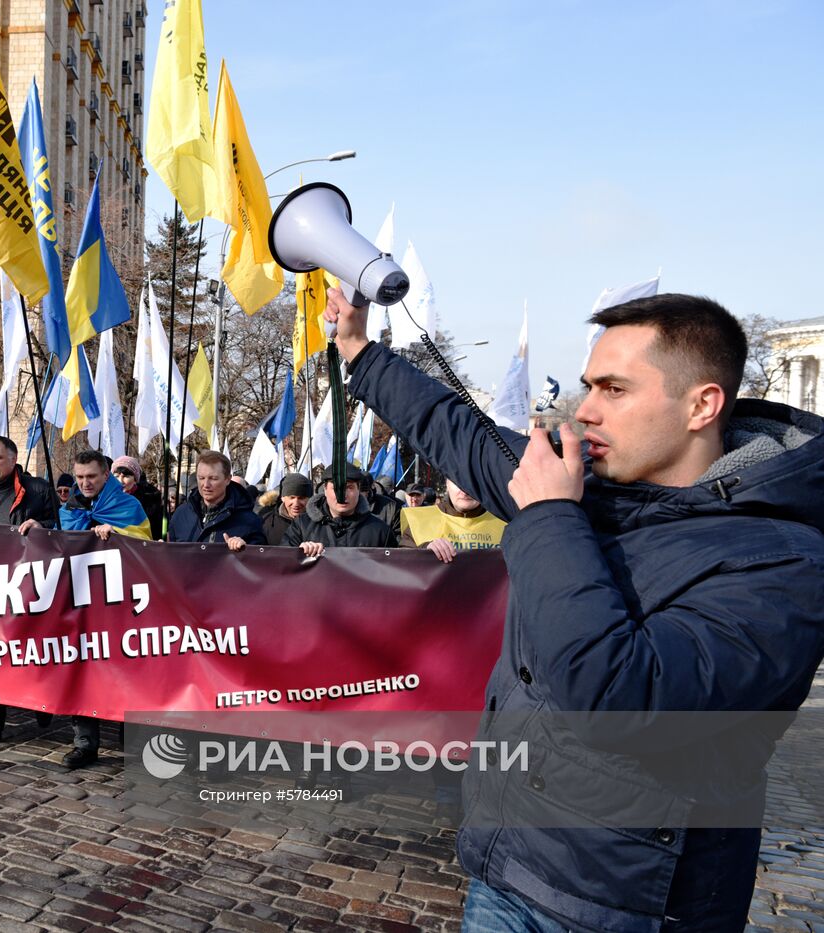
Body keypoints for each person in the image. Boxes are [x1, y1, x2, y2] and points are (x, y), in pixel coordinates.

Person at [325, 287, 824, 932]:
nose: (584, 411)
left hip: (624, 905)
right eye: (588, 387)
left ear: (703, 404)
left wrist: (551, 517)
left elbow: (621, 698)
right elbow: (459, 433)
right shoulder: (593, 485)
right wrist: (361, 351)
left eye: (614, 390)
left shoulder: (783, 559)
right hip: (506, 863)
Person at [57, 449, 152, 768]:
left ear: (105, 476)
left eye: (91, 477)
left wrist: (117, 536)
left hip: (121, 605)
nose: (84, 483)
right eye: (80, 477)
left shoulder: (129, 506)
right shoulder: (68, 509)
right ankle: (85, 742)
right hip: (81, 603)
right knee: (82, 670)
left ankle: (132, 734)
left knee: (125, 669)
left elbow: (147, 549)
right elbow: (57, 547)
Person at [0, 436, 57, 744]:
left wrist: (41, 527)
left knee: (28, 648)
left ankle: (42, 700)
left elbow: (60, 525)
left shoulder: (39, 489)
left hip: (28, 583)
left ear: (14, 460)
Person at [283, 466, 396, 556]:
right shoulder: (302, 526)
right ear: (325, 490)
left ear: (359, 490)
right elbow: (281, 566)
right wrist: (298, 553)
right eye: (336, 488)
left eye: (349, 487)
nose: (343, 495)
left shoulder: (380, 532)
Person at [167, 450, 265, 549]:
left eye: (213, 478)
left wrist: (246, 550)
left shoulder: (249, 521)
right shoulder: (181, 514)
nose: (206, 485)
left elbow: (260, 561)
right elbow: (171, 556)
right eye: (201, 478)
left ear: (227, 479)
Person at [399, 478, 507, 563]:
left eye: (473, 482)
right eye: (457, 482)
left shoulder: (507, 521)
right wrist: (425, 551)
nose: (465, 492)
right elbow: (401, 566)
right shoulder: (419, 519)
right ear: (447, 483)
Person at [111, 455, 164, 539]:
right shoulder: (106, 500)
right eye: (116, 476)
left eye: (126, 476)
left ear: (135, 479)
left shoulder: (150, 502)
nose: (120, 481)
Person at [264, 474, 312, 545]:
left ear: (309, 499)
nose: (296, 503)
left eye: (301, 498)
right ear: (283, 498)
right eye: (292, 497)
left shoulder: (319, 523)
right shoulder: (267, 523)